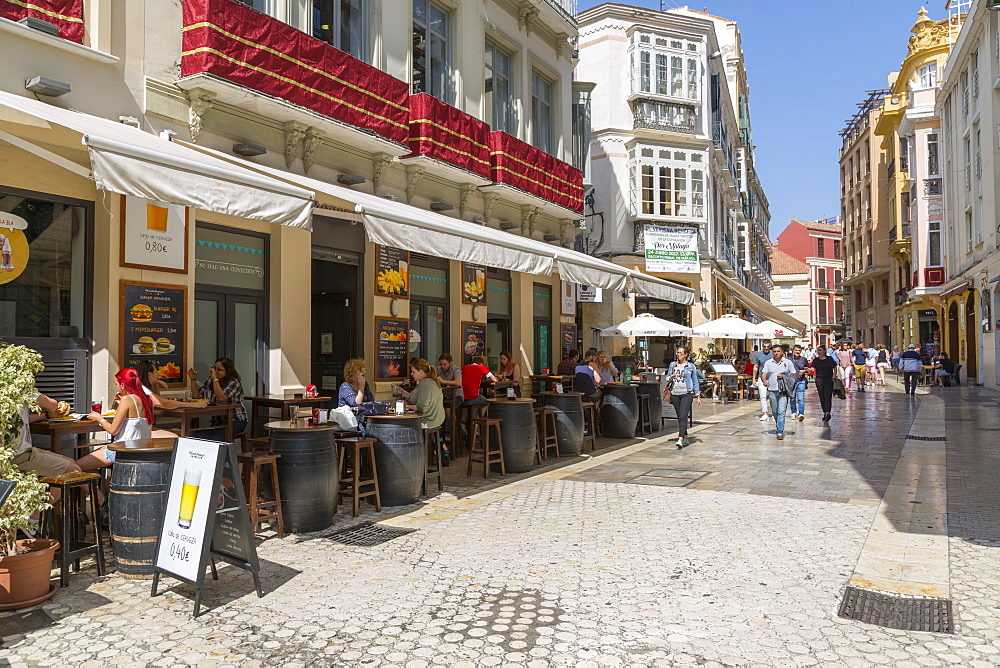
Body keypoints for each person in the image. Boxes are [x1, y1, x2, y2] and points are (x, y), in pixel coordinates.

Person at [79, 368, 154, 471]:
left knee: (75, 467)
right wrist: (121, 404)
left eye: (116, 384)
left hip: (122, 450)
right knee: (93, 463)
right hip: (140, 450)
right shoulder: (148, 400)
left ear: (122, 385)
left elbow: (113, 430)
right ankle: (99, 487)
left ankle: (96, 488)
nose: (117, 387)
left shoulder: (127, 400)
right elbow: (134, 420)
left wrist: (99, 418)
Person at [187, 357, 248, 437]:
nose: (216, 372)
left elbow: (222, 398)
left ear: (227, 371)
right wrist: (193, 379)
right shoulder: (210, 380)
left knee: (213, 437)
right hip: (218, 421)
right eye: (215, 368)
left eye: (219, 370)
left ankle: (222, 449)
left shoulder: (233, 382)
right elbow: (197, 396)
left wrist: (215, 379)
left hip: (235, 420)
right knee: (196, 435)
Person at [663, 346, 704, 449]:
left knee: (683, 415)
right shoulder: (673, 365)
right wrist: (670, 378)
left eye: (681, 353)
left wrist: (698, 395)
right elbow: (667, 377)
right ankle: (685, 437)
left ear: (686, 355)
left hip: (687, 393)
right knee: (680, 416)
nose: (678, 355)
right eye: (678, 353)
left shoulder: (691, 366)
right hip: (675, 393)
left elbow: (695, 381)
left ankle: (680, 438)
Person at [135, 360, 207, 410]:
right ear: (149, 374)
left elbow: (157, 401)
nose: (158, 375)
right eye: (156, 372)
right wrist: (193, 405)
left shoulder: (143, 386)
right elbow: (162, 403)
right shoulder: (141, 389)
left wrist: (155, 383)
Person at [761, 344, 797, 440]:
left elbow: (794, 375)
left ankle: (780, 431)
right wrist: (764, 381)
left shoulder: (788, 362)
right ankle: (778, 426)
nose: (776, 353)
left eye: (778, 351)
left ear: (782, 352)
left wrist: (784, 376)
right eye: (774, 351)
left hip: (783, 390)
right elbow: (764, 373)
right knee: (775, 411)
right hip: (772, 389)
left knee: (781, 411)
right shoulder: (768, 362)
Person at [402, 359, 445, 429]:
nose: (411, 374)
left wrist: (406, 406)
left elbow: (421, 407)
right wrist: (402, 392)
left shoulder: (425, 383)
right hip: (436, 419)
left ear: (421, 372)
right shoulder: (429, 381)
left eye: (413, 371)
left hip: (429, 421)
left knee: (400, 425)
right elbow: (415, 398)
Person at [811, 347, 838, 422]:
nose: (819, 352)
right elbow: (813, 369)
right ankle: (824, 412)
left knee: (828, 396)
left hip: (828, 379)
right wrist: (808, 370)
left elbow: (835, 367)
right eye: (818, 351)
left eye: (820, 350)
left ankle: (828, 413)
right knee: (822, 396)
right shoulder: (816, 360)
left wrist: (834, 376)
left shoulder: (829, 359)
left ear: (824, 351)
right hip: (819, 379)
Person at [753, 341, 774, 421]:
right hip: (761, 377)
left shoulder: (774, 353)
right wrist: (754, 378)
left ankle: (774, 412)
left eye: (768, 346)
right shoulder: (759, 354)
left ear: (770, 346)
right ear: (762, 346)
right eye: (764, 346)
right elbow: (756, 367)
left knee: (773, 396)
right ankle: (765, 413)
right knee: (762, 396)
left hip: (772, 378)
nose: (766, 348)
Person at [789, 345, 808, 421]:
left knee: (800, 398)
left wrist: (804, 371)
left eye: (799, 350)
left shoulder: (804, 359)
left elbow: (808, 369)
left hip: (801, 381)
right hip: (791, 382)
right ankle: (793, 412)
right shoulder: (788, 359)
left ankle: (801, 413)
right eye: (796, 350)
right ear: (793, 350)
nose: (798, 352)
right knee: (792, 398)